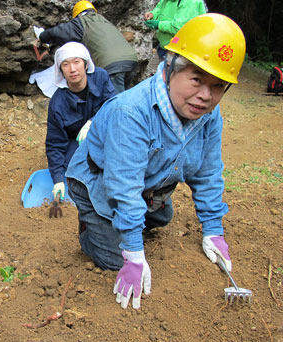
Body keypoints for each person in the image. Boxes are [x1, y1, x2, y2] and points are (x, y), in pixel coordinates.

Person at [65, 13, 245, 310]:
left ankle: (129, 220)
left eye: (217, 87)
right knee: (113, 259)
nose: (205, 96)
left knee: (161, 219)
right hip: (98, 179)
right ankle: (91, 228)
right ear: (170, 68)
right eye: (197, 80)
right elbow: (123, 186)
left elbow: (208, 172)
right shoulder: (131, 112)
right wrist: (133, 254)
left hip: (150, 179)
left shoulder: (209, 116)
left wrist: (213, 228)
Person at [46, 42, 116, 201]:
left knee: (116, 154)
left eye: (76, 62)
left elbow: (113, 106)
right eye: (65, 64)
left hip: (104, 133)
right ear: (61, 70)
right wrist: (58, 180)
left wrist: (94, 121)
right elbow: (55, 143)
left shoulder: (101, 77)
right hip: (77, 141)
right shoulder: (57, 104)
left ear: (85, 64)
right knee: (72, 167)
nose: (72, 69)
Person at [35, 0, 138, 94]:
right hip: (132, 61)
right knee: (124, 98)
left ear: (77, 14)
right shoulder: (103, 21)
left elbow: (58, 32)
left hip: (113, 65)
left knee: (116, 105)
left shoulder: (82, 22)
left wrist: (42, 36)